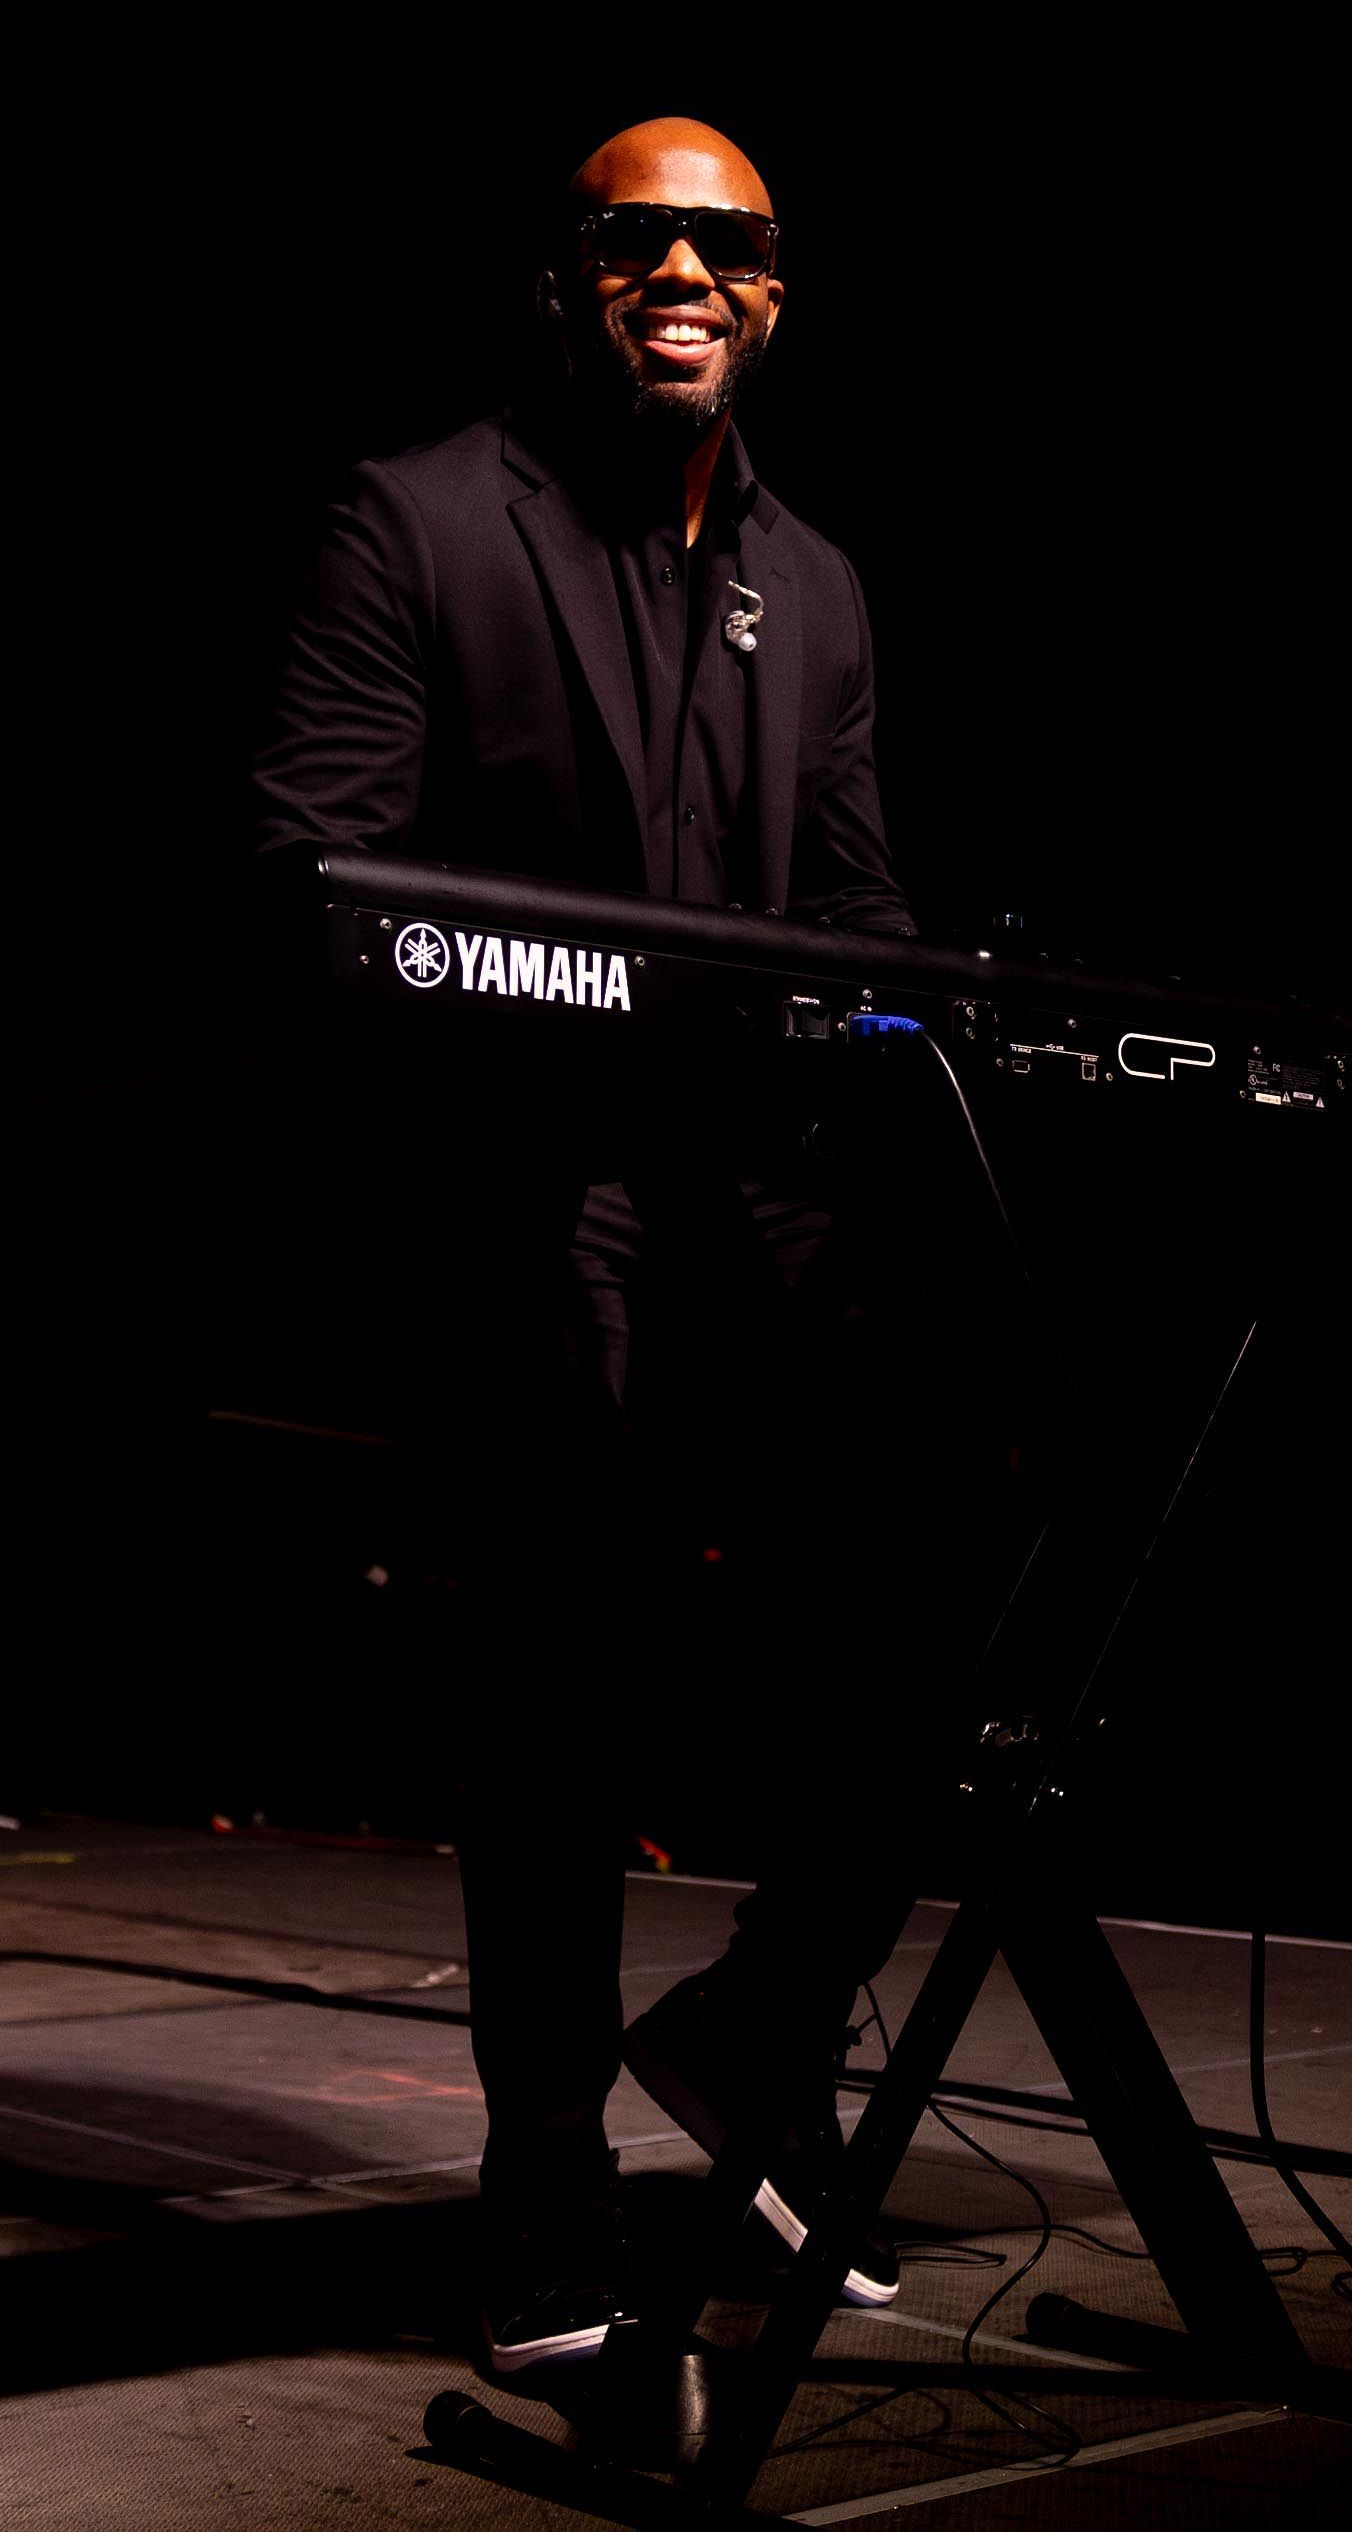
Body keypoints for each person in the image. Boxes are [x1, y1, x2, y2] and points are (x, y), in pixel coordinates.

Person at [252, 117, 952, 2379]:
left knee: (958, 1590)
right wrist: (559, 1000)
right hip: (529, 1194)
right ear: (572, 278)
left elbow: (851, 913)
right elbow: (318, 876)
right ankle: (544, 2192)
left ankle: (755, 2042)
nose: (682, 267)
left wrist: (889, 1028)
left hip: (759, 1192)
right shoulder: (420, 516)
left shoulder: (818, 586)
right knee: (559, 1695)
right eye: (637, 235)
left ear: (774, 295)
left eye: (725, 243)